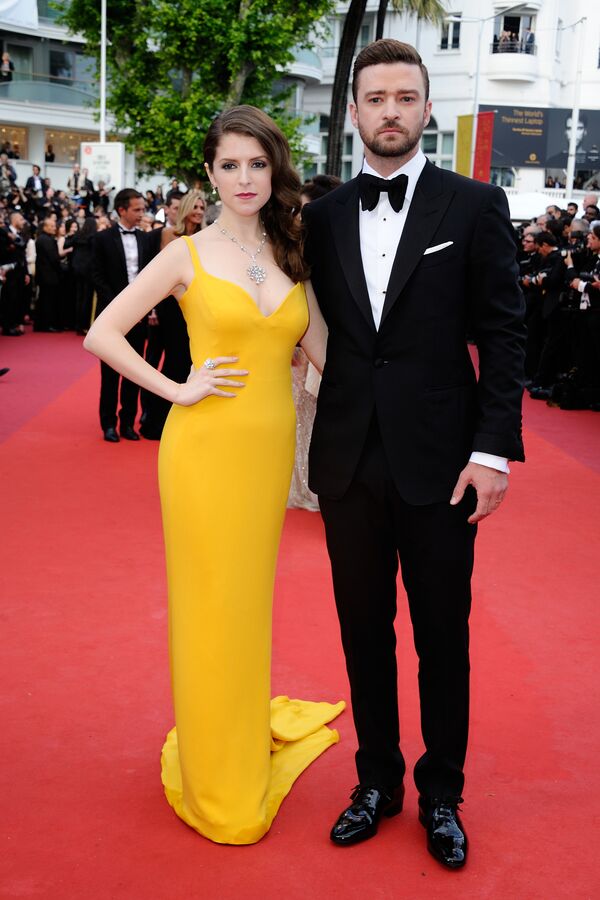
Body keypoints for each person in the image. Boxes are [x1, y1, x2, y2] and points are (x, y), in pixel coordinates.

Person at [84, 106, 343, 844]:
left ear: (274, 169)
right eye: (229, 165)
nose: (244, 178)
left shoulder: (294, 254)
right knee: (207, 606)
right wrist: (176, 389)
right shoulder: (185, 256)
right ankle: (214, 769)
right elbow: (101, 333)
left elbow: (328, 355)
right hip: (202, 452)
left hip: (266, 458)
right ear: (210, 173)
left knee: (248, 604)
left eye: (257, 164)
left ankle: (237, 730)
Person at [302, 39, 526, 868]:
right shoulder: (323, 217)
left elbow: (504, 334)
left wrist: (493, 451)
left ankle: (441, 794)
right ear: (354, 112)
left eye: (405, 97)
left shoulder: (473, 205)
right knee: (363, 633)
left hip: (442, 462)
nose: (390, 111)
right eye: (376, 98)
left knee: (442, 637)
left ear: (427, 110)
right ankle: (376, 781)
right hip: (349, 461)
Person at [141, 190, 205, 439]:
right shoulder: (167, 235)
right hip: (169, 308)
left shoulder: (205, 238)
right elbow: (153, 276)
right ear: (186, 208)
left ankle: (179, 421)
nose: (199, 212)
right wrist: (152, 308)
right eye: (195, 207)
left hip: (196, 308)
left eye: (202, 207)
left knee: (187, 363)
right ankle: (154, 420)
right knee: (169, 364)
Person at [91, 188, 152, 442]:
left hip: (139, 317)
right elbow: (96, 277)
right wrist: (120, 307)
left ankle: (128, 422)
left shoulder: (146, 239)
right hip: (111, 317)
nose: (141, 214)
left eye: (142, 209)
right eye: (137, 209)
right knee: (110, 374)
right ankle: (108, 424)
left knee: (133, 372)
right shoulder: (102, 239)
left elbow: (150, 279)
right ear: (121, 210)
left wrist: (143, 308)